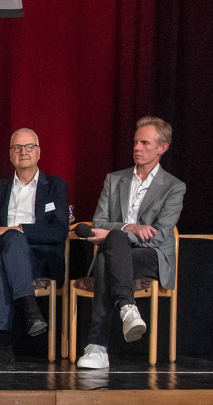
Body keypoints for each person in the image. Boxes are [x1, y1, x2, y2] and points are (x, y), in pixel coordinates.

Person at [75, 116, 185, 370]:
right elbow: (98, 221)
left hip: (151, 255)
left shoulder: (174, 187)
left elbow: (160, 233)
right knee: (112, 250)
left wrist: (118, 235)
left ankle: (97, 346)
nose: (137, 148)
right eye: (135, 142)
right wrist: (129, 228)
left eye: (145, 143)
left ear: (162, 147)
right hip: (119, 253)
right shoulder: (114, 180)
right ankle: (127, 307)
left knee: (108, 255)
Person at [0, 128, 70, 365]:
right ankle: (30, 308)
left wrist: (19, 229)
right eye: (17, 147)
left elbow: (59, 231)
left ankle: (3, 344)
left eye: (29, 147)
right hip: (0, 245)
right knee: (8, 245)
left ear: (39, 153)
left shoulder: (55, 185)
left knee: (3, 261)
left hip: (38, 257)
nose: (23, 152)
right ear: (10, 154)